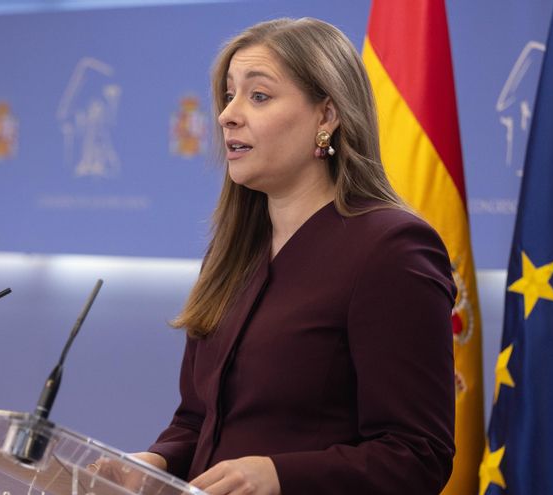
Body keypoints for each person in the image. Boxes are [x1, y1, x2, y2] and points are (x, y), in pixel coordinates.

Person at [134, 17, 456, 494]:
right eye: (228, 95)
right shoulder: (232, 253)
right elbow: (198, 418)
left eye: (258, 96)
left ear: (327, 116)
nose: (227, 115)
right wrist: (151, 462)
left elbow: (417, 455)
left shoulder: (392, 250)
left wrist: (280, 476)